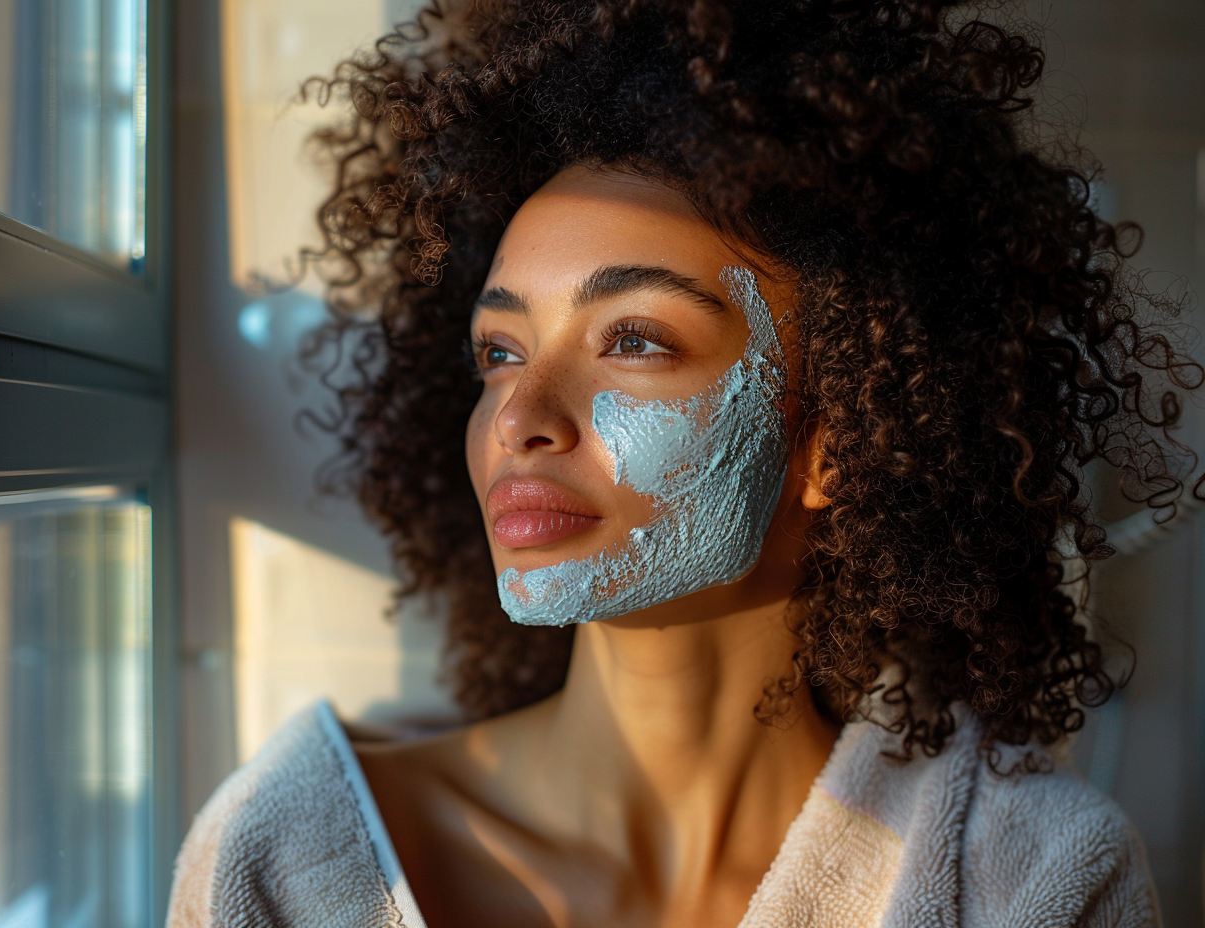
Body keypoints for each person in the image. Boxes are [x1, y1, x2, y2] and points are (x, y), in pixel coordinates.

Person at [167, 1, 1198, 925]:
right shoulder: (286, 859)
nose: (519, 416)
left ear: (838, 436)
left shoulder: (1033, 878)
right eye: (499, 351)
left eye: (635, 340)